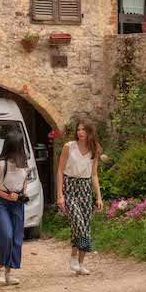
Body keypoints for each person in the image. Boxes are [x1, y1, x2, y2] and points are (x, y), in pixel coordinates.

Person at [55, 117, 103, 275]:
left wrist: (99, 197)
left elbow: (94, 175)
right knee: (78, 223)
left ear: (90, 131)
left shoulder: (94, 150)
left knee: (85, 226)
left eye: (84, 129)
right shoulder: (69, 147)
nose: (80, 132)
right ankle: (74, 258)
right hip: (70, 187)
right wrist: (60, 195)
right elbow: (60, 171)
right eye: (79, 129)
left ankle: (81, 264)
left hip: (85, 189)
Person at [0, 130, 29, 286]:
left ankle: (9, 272)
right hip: (1, 202)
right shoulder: (0, 165)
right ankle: (0, 268)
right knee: (6, 234)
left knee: (17, 237)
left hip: (17, 202)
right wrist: (6, 196)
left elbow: (25, 180)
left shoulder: (24, 164)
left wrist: (23, 192)